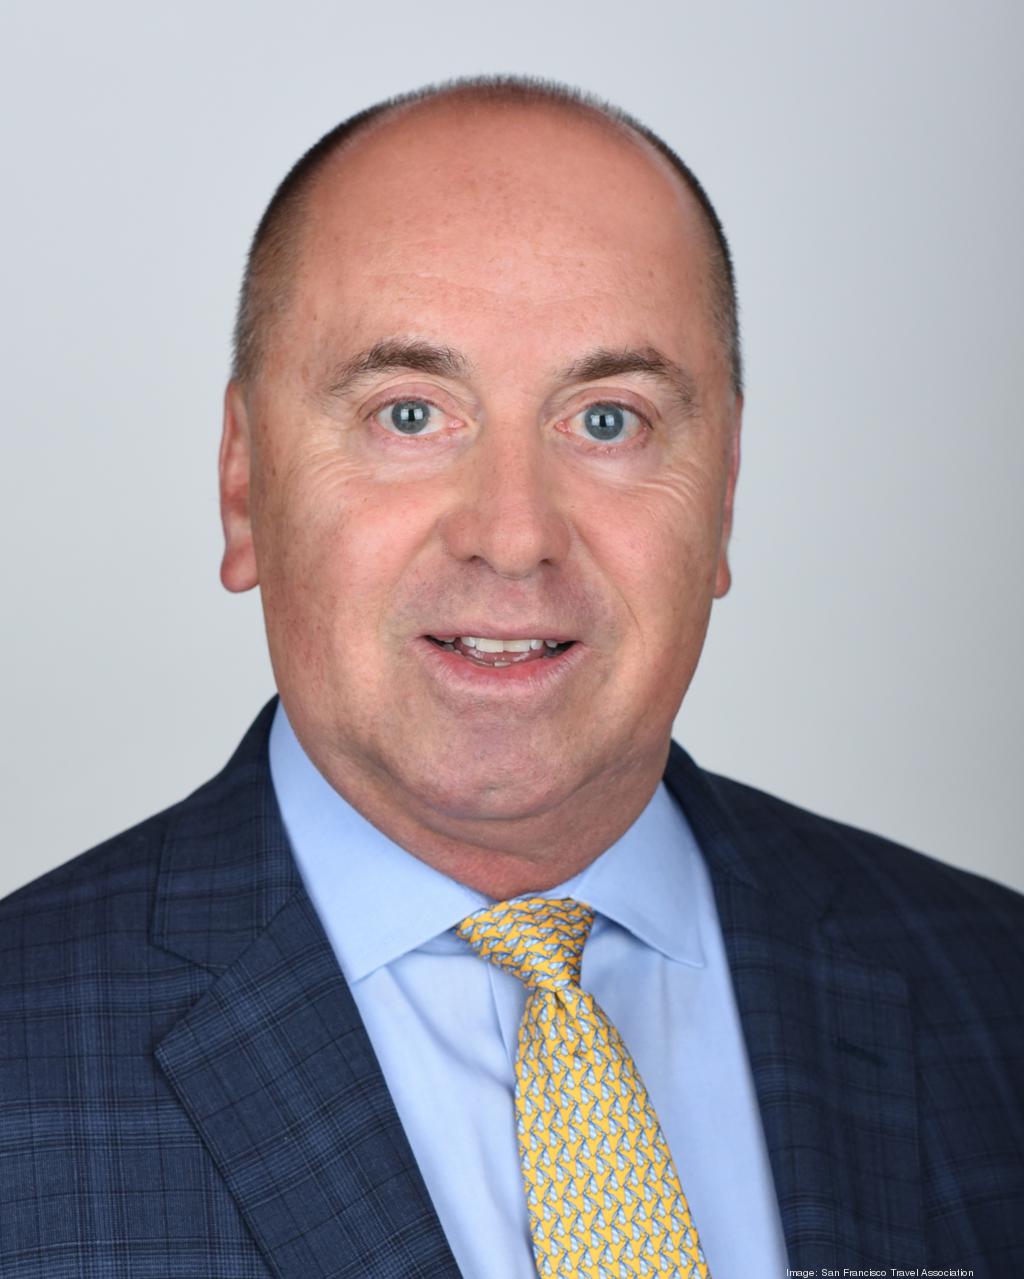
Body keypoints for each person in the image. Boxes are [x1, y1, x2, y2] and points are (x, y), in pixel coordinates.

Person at [1, 75, 1021, 1279]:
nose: (513, 534)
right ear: (243, 484)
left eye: (608, 420)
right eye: (408, 415)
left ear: (724, 493)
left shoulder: (991, 987)